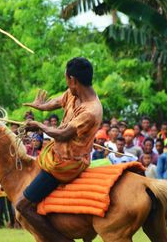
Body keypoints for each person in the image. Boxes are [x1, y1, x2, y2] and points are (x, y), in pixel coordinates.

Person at [16, 57, 103, 241]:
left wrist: (40, 126)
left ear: (73, 80)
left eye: (66, 79)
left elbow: (63, 134)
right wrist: (42, 106)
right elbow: (58, 100)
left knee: (22, 206)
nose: (67, 84)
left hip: (66, 164)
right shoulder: (75, 92)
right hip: (55, 154)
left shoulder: (91, 110)